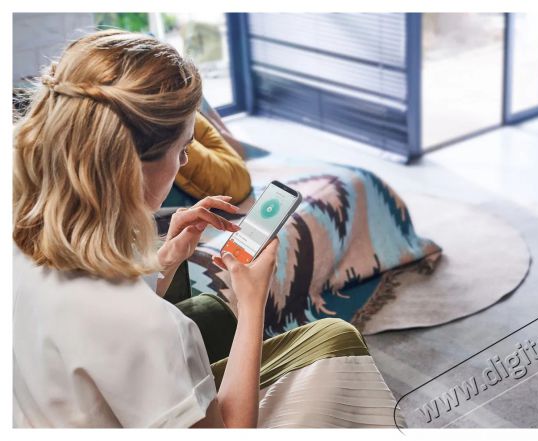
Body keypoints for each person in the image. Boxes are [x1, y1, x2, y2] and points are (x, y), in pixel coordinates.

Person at [13, 29, 405, 428]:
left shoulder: (20, 231)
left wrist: (166, 259)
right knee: (338, 343)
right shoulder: (150, 328)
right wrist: (252, 303)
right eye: (183, 150)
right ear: (131, 169)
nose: (184, 164)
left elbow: (107, 312)